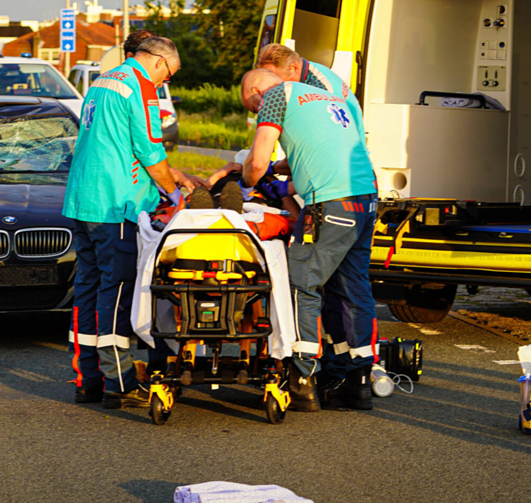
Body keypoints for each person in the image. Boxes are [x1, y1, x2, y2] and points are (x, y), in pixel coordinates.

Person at [63, 36, 206, 409]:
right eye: (168, 76)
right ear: (158, 62)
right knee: (117, 292)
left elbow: (113, 143)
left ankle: (88, 378)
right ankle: (119, 382)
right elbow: (149, 151)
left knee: (88, 289)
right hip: (117, 205)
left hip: (84, 199)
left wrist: (170, 173)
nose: (165, 84)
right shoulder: (140, 87)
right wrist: (174, 191)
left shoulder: (102, 81)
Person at [240, 68, 379, 412]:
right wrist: (291, 166)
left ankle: (303, 379)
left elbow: (257, 162)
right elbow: (327, 147)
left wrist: (246, 179)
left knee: (301, 284)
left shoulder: (276, 96)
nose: (255, 113)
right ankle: (356, 378)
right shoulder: (328, 97)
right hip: (365, 198)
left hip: (328, 205)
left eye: (251, 106)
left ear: (258, 91)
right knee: (352, 287)